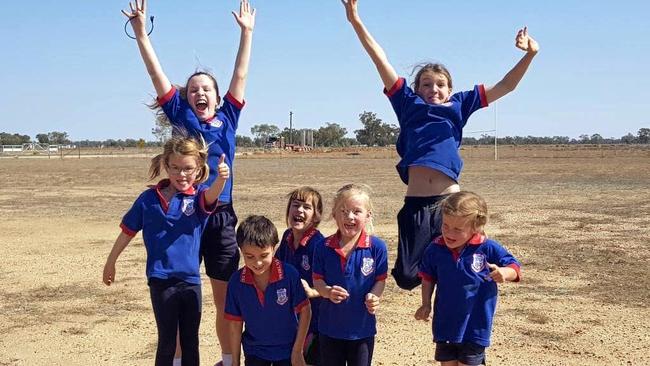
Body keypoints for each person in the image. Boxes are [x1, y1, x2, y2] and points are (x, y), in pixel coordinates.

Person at [340, 0, 538, 290]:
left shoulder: (460, 104)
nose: (434, 89)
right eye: (426, 84)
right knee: (408, 277)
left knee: (459, 274)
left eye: (441, 84)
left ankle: (464, 307)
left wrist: (531, 55)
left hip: (450, 202)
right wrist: (355, 20)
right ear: (416, 89)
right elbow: (380, 60)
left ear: (450, 90)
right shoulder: (407, 104)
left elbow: (507, 85)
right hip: (416, 204)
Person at [121, 0, 255, 363]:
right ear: (187, 97)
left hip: (221, 215)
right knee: (180, 294)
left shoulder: (228, 115)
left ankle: (229, 360)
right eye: (194, 89)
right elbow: (155, 75)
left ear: (216, 95)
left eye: (206, 89)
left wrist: (247, 33)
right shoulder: (180, 117)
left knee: (224, 300)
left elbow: (240, 76)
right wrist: (140, 33)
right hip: (186, 214)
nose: (200, 93)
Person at [102, 134, 230, 366]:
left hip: (191, 281)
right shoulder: (148, 200)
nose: (182, 174)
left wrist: (221, 178)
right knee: (168, 342)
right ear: (166, 166)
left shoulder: (199, 197)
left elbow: (212, 195)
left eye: (188, 169)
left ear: (199, 167)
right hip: (161, 281)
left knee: (191, 341)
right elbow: (127, 232)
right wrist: (111, 262)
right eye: (175, 168)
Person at [414, 191, 521, 366]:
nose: (449, 233)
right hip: (445, 324)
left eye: (457, 229)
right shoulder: (435, 249)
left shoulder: (487, 248)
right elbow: (427, 277)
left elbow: (514, 267)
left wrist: (504, 273)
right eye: (445, 225)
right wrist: (426, 303)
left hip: (475, 324)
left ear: (475, 227)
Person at [312, 184, 388, 366]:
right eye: (343, 211)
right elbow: (317, 281)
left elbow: (380, 280)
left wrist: (374, 296)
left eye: (356, 211)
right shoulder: (323, 247)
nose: (350, 217)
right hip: (330, 329)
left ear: (368, 215)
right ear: (334, 214)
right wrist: (327, 292)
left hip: (362, 330)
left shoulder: (377, 247)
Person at [225, 215, 311, 366]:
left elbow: (305, 311)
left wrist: (297, 351)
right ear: (241, 251)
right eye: (249, 256)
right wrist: (234, 361)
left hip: (287, 351)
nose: (257, 263)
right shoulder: (236, 282)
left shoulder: (289, 275)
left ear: (274, 248)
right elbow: (235, 325)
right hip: (255, 351)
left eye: (264, 255)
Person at [275, 187, 325, 365]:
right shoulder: (287, 236)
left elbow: (335, 284)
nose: (299, 211)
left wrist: (313, 291)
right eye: (295, 205)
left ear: (316, 216)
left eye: (307, 207)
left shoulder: (319, 245)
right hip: (290, 319)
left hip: (315, 322)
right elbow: (276, 266)